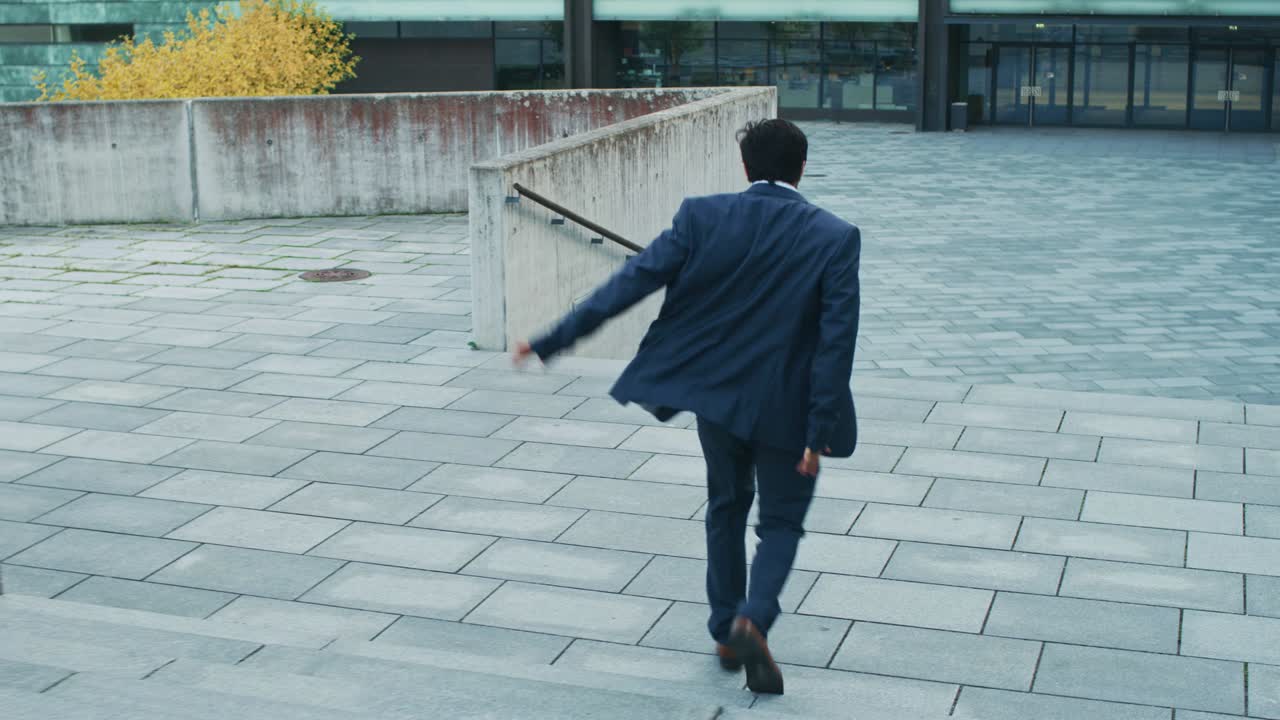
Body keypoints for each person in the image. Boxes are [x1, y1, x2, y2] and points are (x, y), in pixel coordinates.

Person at [514, 119, 860, 695]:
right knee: (780, 524)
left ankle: (726, 629)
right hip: (788, 409)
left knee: (725, 506)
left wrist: (552, 339)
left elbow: (631, 282)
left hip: (717, 399)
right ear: (802, 168)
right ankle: (754, 619)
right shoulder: (835, 236)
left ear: (746, 167)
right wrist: (818, 429)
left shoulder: (702, 216)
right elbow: (836, 341)